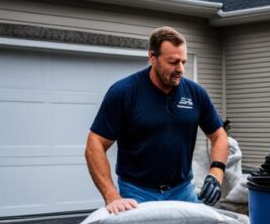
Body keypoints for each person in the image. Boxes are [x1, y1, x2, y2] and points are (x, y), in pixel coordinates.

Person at [85, 26, 228, 214]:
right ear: (152, 57)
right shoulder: (124, 92)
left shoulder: (195, 94)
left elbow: (219, 136)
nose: (180, 69)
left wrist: (216, 173)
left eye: (183, 61)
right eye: (173, 62)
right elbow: (94, 144)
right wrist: (111, 196)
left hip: (183, 191)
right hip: (137, 193)